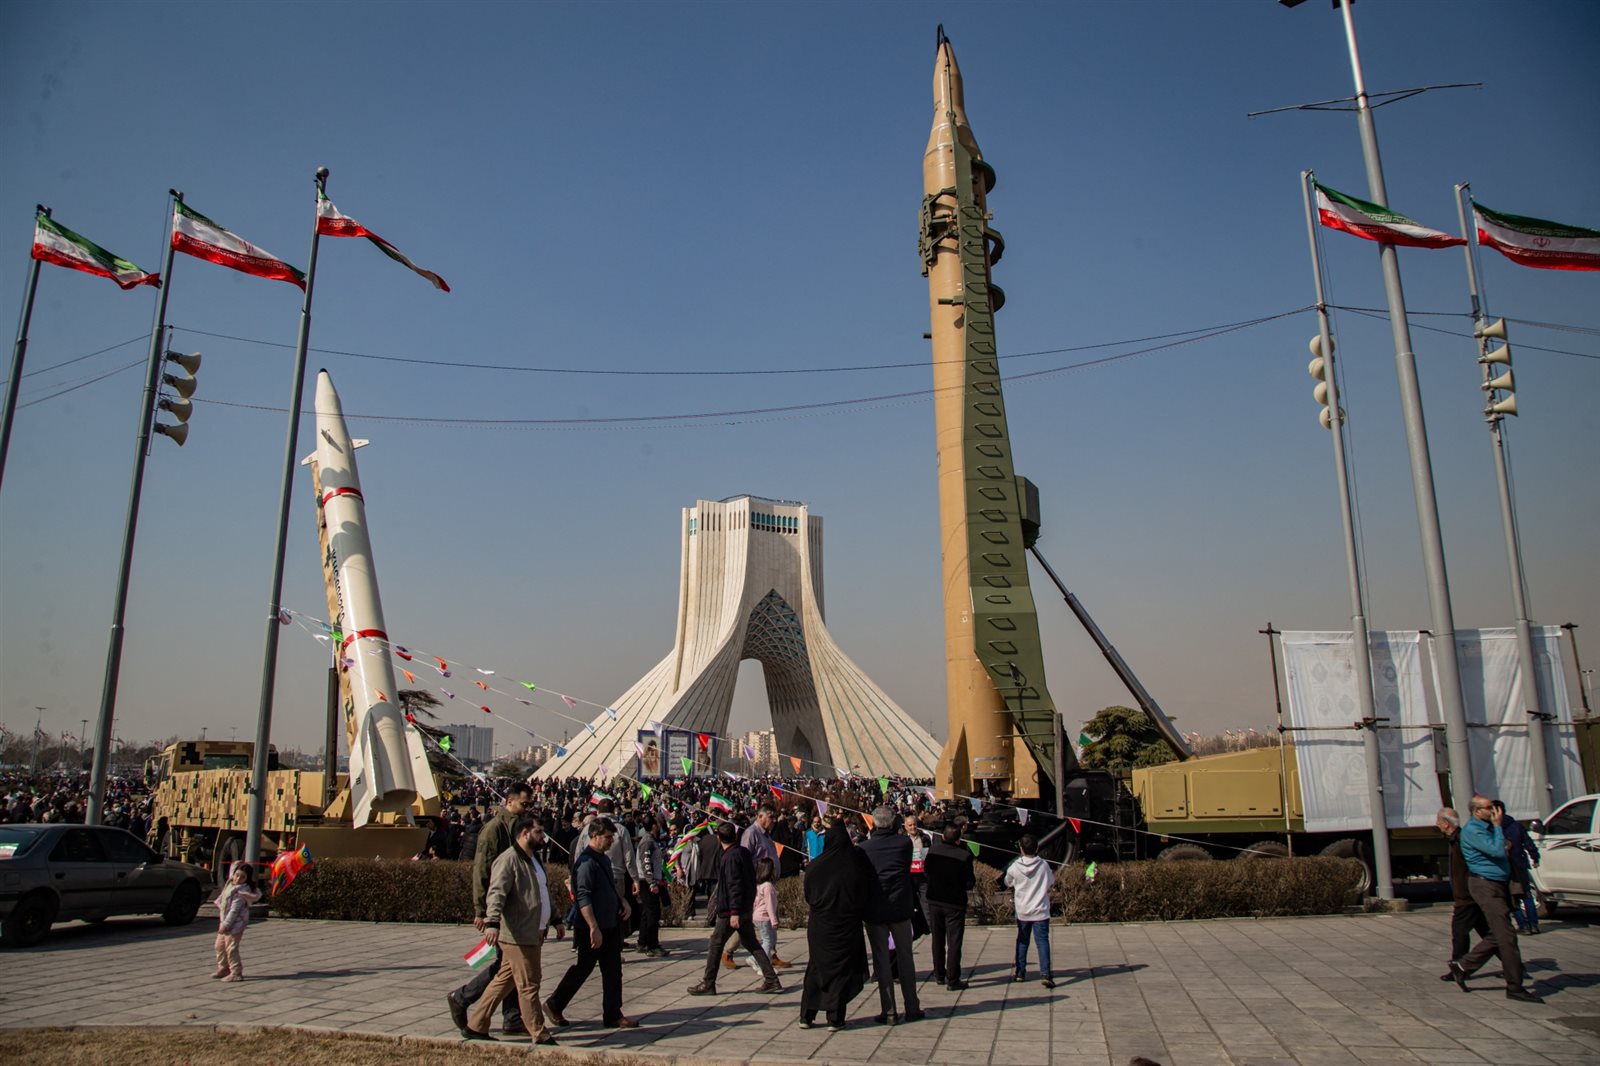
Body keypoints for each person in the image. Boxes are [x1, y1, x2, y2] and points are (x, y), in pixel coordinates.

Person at [465, 813, 558, 1045]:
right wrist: (492, 922)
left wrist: (555, 919)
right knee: (529, 984)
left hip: (533, 931)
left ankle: (476, 1024)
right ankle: (538, 1032)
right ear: (524, 833)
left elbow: (542, 891)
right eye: (538, 832)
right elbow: (496, 892)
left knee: (504, 980)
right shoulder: (508, 860)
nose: (543, 837)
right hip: (518, 934)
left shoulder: (534, 859)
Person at [448, 781, 532, 1037]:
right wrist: (481, 911)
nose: (527, 808)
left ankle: (512, 1017)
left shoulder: (521, 828)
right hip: (500, 908)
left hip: (515, 906)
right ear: (510, 802)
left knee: (510, 963)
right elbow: (481, 870)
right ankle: (463, 997)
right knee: (507, 964)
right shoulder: (494, 829)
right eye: (524, 804)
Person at [545, 818, 639, 1028]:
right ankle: (554, 1003)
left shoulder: (603, 859)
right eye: (608, 837)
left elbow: (609, 886)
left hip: (610, 923)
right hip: (591, 927)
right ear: (595, 836)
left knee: (613, 970)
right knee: (583, 968)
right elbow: (583, 897)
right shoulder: (586, 863)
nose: (611, 841)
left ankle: (613, 1013)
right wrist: (593, 927)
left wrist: (622, 901)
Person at [1450, 796, 1542, 1002]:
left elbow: (1509, 845)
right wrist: (1499, 828)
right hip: (1485, 885)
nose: (1494, 811)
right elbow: (1498, 850)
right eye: (1488, 807)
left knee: (1500, 933)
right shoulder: (1473, 830)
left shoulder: (1489, 827)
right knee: (1507, 936)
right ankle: (1515, 986)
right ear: (1476, 811)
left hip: (1499, 883)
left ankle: (1463, 965)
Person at [688, 820, 783, 995]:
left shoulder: (730, 857)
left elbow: (735, 885)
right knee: (751, 943)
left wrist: (734, 912)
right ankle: (771, 979)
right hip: (744, 906)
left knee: (716, 943)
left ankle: (708, 983)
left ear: (719, 838)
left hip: (732, 910)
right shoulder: (743, 852)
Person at [800, 821, 872, 1031]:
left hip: (820, 926)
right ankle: (835, 1017)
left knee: (816, 967)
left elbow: (809, 896)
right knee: (841, 971)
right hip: (846, 925)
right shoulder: (855, 867)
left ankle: (806, 1015)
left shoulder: (815, 866)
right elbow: (863, 894)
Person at [860, 805, 922, 1024]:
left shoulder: (864, 848)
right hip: (900, 907)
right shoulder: (903, 843)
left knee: (881, 960)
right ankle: (912, 1007)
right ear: (894, 822)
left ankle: (889, 1011)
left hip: (875, 909)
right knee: (905, 957)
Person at [1435, 807, 1490, 981]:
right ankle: (1512, 964)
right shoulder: (1456, 839)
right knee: (1489, 934)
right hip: (1468, 895)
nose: (1436, 824)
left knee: (1459, 933)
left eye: (1438, 821)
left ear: (1446, 824)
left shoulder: (1461, 840)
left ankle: (1458, 968)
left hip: (1467, 896)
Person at [923, 821, 976, 989]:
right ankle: (953, 978)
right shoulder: (964, 856)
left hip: (935, 900)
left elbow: (926, 872)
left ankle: (939, 974)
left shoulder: (932, 851)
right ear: (958, 840)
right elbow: (969, 882)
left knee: (937, 939)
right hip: (954, 903)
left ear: (943, 837)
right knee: (954, 942)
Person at [1005, 833, 1055, 989]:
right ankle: (1045, 973)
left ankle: (1020, 972)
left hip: (1023, 910)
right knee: (1042, 941)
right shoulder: (1043, 865)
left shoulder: (1015, 866)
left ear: (1021, 849)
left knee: (1022, 941)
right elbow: (1051, 881)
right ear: (1037, 848)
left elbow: (1008, 882)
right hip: (1040, 910)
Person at [1493, 799, 1542, 934]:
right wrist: (1535, 857)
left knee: (1512, 897)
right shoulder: (1516, 825)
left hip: (1505, 866)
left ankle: (1523, 925)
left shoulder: (1494, 828)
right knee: (1526, 895)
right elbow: (1528, 843)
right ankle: (1533, 924)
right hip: (1520, 863)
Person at [211, 861, 261, 982]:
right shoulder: (230, 884)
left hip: (236, 924)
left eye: (242, 877)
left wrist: (226, 925)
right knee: (219, 946)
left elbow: (234, 911)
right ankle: (224, 968)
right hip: (225, 921)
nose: (238, 879)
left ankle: (236, 972)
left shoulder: (242, 892)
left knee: (231, 948)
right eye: (237, 875)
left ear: (247, 879)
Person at [634, 814, 667, 956]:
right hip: (647, 882)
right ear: (654, 826)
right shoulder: (647, 842)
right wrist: (652, 882)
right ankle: (652, 944)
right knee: (652, 913)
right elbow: (646, 863)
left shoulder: (651, 840)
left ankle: (642, 942)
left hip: (650, 880)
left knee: (647, 913)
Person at [748, 856, 780, 975]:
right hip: (764, 916)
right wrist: (774, 920)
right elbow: (770, 904)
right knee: (768, 941)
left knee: (769, 940)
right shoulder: (768, 886)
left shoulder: (759, 885)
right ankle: (762, 964)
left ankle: (762, 962)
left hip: (757, 916)